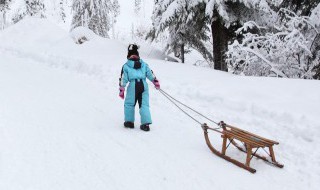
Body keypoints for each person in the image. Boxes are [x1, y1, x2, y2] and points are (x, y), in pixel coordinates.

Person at [119, 44, 160, 131]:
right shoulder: (144, 64)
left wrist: (122, 88)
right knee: (144, 104)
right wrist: (155, 81)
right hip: (143, 85)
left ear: (128, 55)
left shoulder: (126, 66)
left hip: (133, 85)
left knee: (129, 103)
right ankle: (145, 124)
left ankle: (129, 122)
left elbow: (123, 78)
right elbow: (150, 73)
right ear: (138, 54)